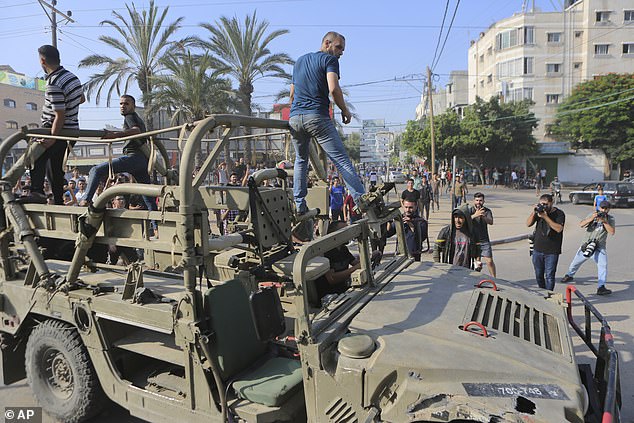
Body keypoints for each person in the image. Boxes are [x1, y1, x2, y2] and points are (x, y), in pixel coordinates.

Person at [289, 31, 364, 215]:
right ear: (326, 43)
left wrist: (299, 111)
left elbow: (291, 95)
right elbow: (333, 88)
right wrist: (345, 110)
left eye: (343, 49)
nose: (341, 52)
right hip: (316, 116)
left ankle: (299, 204)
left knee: (300, 160)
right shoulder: (329, 61)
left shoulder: (299, 61)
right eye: (339, 47)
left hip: (295, 118)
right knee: (342, 161)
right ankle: (362, 201)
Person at [30, 45, 85, 204]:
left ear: (42, 61)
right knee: (54, 169)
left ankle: (37, 192)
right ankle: (58, 200)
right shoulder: (72, 77)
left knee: (34, 156)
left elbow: (59, 115)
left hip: (55, 129)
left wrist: (53, 138)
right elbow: (81, 99)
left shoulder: (53, 82)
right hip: (71, 130)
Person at [82, 95, 156, 212]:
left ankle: (85, 200)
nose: (123, 106)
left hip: (133, 158)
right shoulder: (135, 118)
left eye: (126, 104)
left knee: (96, 170)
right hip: (141, 160)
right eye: (121, 104)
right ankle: (155, 225)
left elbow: (135, 130)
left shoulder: (130, 116)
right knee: (148, 197)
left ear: (133, 106)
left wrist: (114, 135)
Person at [561, 201, 615, 295]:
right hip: (586, 245)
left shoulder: (610, 219)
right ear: (599, 207)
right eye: (603, 208)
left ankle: (601, 287)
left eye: (606, 208)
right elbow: (581, 224)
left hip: (599, 247)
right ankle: (569, 275)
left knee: (603, 265)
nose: (604, 210)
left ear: (609, 209)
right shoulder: (592, 215)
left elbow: (612, 232)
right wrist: (592, 218)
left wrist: (604, 222)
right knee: (576, 262)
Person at [526, 193, 565, 291]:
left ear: (551, 203)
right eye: (541, 204)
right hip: (538, 249)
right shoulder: (539, 212)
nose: (543, 206)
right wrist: (534, 212)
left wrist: (545, 216)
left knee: (549, 276)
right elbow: (528, 224)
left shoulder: (559, 214)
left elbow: (559, 229)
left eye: (545, 204)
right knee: (538, 275)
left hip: (552, 251)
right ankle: (542, 292)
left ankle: (549, 295)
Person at [433, 204, 478, 269]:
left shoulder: (472, 232)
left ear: (466, 218)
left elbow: (477, 250)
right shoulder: (446, 232)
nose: (457, 221)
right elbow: (436, 248)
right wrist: (438, 265)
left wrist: (477, 262)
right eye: (455, 217)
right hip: (450, 269)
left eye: (460, 218)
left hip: (467, 269)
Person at [469, 192, 496, 277]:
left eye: (480, 200)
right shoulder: (470, 210)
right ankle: (477, 278)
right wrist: (474, 215)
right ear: (474, 201)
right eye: (477, 200)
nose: (478, 202)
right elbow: (464, 221)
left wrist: (483, 216)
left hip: (484, 240)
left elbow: (491, 222)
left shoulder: (487, 211)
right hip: (473, 240)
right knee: (477, 263)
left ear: (483, 201)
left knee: (489, 261)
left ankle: (494, 279)